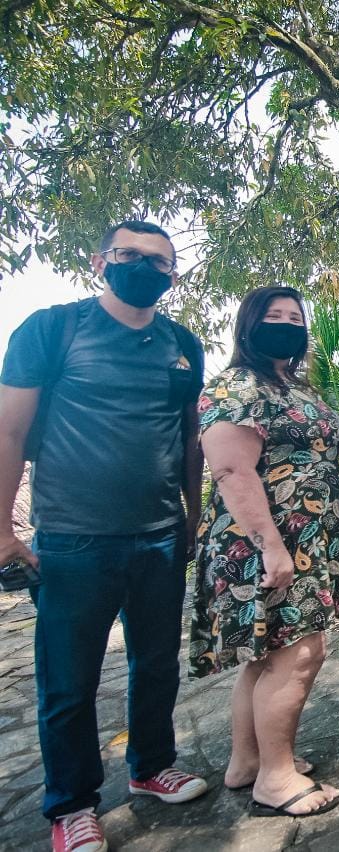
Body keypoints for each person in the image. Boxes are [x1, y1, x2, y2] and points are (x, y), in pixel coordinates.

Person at [0, 221, 209, 852]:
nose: (144, 267)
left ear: (172, 275)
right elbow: (9, 432)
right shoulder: (53, 329)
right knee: (69, 682)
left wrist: (192, 516)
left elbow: (189, 438)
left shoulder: (182, 344)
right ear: (101, 262)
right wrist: (3, 531)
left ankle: (151, 766)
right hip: (73, 538)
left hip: (160, 536)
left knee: (157, 664)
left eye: (159, 261)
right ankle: (71, 804)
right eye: (129, 255)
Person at [190, 287, 339, 817]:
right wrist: (272, 547)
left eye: (295, 318)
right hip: (264, 541)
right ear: (248, 325)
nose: (287, 324)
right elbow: (231, 470)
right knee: (300, 653)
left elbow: (324, 444)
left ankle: (249, 761)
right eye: (273, 316)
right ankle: (276, 780)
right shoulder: (235, 386)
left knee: (266, 657)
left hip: (303, 540)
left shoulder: (293, 385)